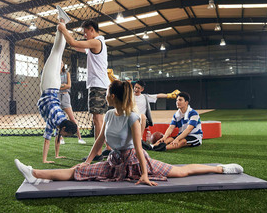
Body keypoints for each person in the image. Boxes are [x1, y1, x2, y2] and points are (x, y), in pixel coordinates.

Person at [15, 80, 244, 186]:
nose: (105, 95)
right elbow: (98, 143)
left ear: (113, 96)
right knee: (77, 171)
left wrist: (145, 174)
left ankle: (221, 168)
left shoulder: (133, 117)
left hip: (137, 162)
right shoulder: (109, 115)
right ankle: (33, 173)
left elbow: (138, 148)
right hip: (114, 162)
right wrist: (86, 162)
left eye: (107, 92)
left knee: (181, 172)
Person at [58, 19, 110, 161]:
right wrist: (66, 35)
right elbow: (76, 46)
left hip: (98, 86)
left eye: (85, 32)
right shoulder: (96, 44)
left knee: (97, 120)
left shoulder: (96, 42)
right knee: (100, 119)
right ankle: (108, 148)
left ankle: (97, 153)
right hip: (100, 85)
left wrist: (63, 28)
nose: (85, 35)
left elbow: (74, 43)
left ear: (92, 29)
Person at [37, 7, 77, 163]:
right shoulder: (55, 119)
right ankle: (62, 22)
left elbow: (57, 137)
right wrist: (45, 160)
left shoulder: (61, 122)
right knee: (56, 52)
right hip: (50, 86)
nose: (64, 136)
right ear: (65, 128)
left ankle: (62, 21)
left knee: (58, 53)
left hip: (52, 86)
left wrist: (57, 155)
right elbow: (47, 139)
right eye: (66, 134)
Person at [58, 61, 86, 145]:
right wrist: (63, 85)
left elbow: (69, 85)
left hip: (66, 97)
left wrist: (60, 86)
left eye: (61, 63)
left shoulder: (67, 74)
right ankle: (61, 138)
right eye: (59, 63)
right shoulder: (54, 74)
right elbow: (55, 86)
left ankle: (80, 138)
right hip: (56, 97)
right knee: (59, 120)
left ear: (63, 65)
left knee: (72, 118)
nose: (60, 64)